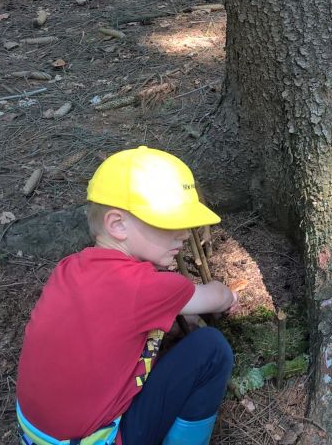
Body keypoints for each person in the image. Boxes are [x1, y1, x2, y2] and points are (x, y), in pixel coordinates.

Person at [16, 146, 238, 445]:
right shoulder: (148, 287)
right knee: (211, 349)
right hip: (100, 440)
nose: (185, 234)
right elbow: (218, 297)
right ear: (117, 224)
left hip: (37, 435)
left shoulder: (68, 268)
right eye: (171, 222)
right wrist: (231, 296)